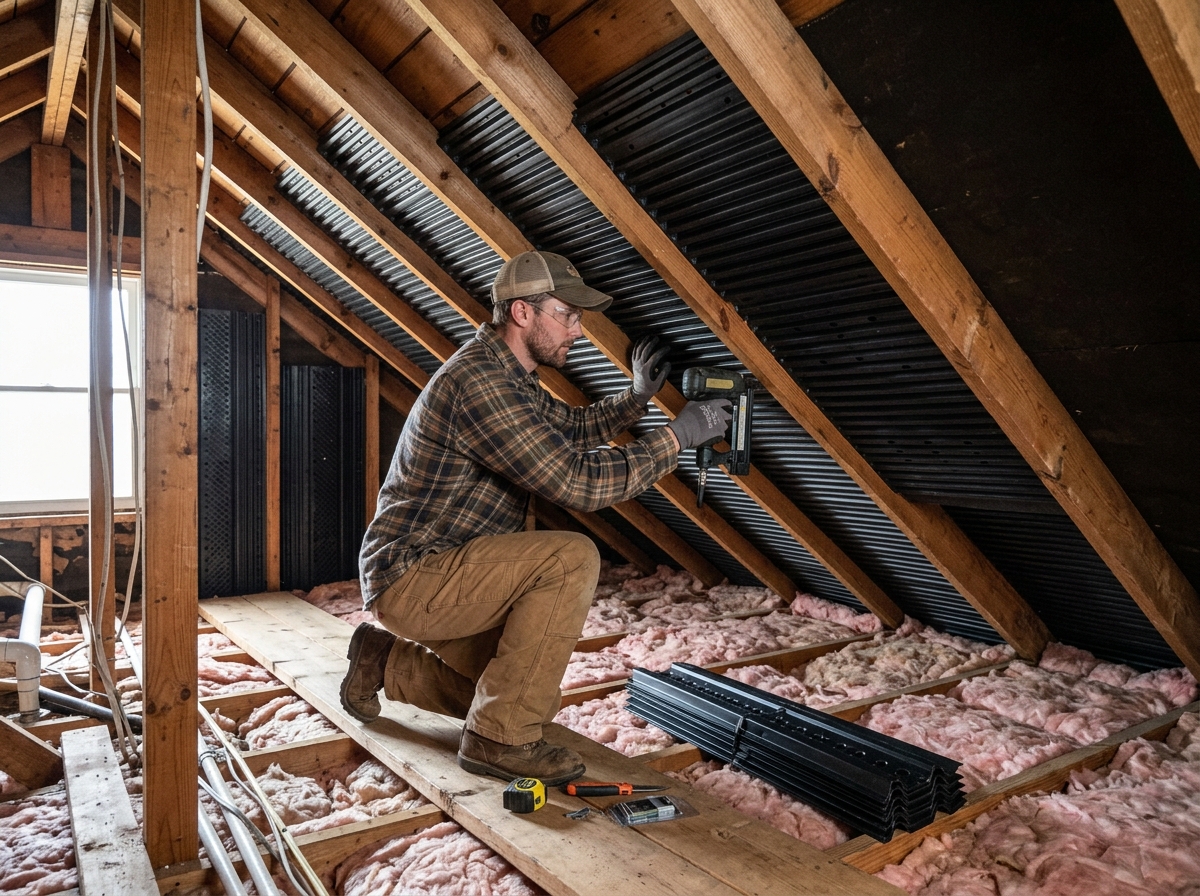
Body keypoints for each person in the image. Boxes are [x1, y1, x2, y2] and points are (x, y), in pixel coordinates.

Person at [346, 250, 732, 785]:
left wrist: (638, 398)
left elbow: (568, 430)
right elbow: (576, 481)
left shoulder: (511, 376)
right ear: (523, 313)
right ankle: (497, 743)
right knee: (570, 558)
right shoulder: (480, 383)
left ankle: (381, 662)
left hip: (442, 576)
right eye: (567, 316)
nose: (578, 331)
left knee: (522, 686)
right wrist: (678, 438)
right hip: (414, 577)